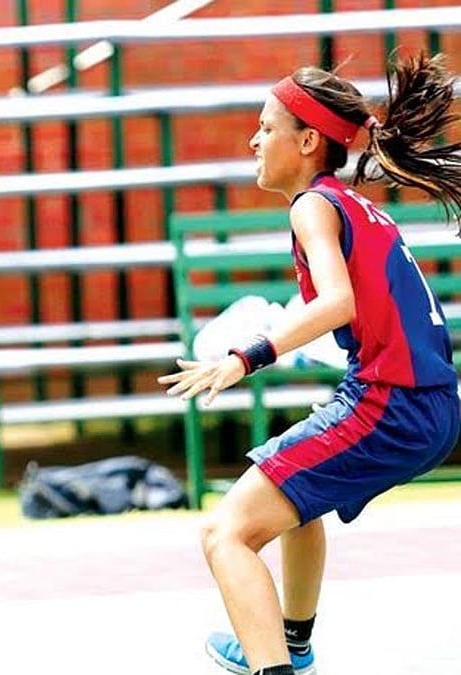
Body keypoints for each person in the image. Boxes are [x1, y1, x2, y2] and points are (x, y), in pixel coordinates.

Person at [158, 51, 461, 675]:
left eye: (266, 127)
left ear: (307, 140)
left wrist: (247, 356)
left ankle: (274, 666)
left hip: (391, 404)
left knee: (226, 534)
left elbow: (335, 301)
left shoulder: (313, 206)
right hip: (429, 403)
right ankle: (290, 643)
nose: (254, 138)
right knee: (299, 497)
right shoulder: (355, 206)